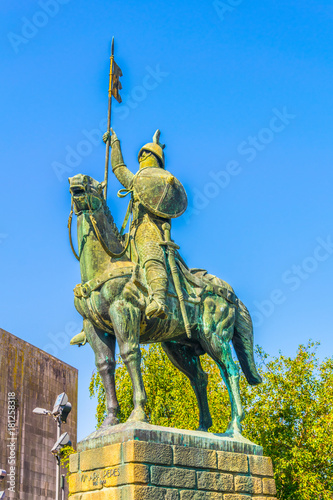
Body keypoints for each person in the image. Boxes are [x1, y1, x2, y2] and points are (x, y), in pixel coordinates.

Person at [103, 128, 186, 319]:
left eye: (147, 154)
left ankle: (159, 301)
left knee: (151, 255)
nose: (142, 156)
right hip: (133, 233)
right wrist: (115, 143)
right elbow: (119, 168)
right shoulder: (138, 181)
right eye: (141, 154)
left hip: (152, 231)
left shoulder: (161, 182)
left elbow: (119, 169)